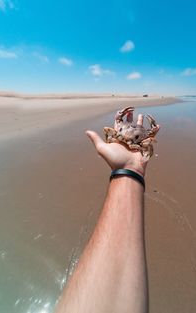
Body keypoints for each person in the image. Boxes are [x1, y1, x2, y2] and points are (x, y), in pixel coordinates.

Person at [56, 112, 157, 313]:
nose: (132, 132)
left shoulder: (142, 140)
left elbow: (146, 140)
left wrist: (131, 165)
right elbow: (114, 132)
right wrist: (131, 166)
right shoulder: (124, 134)